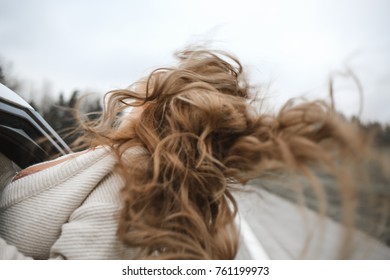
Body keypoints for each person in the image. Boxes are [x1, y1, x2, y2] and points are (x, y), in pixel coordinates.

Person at [0, 48, 389, 259]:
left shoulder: (130, 180)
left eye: (142, 94)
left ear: (153, 112)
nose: (129, 101)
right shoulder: (111, 161)